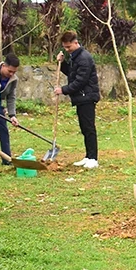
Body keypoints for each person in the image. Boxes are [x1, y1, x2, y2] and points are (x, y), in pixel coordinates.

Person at [54, 31, 101, 168]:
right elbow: (72, 73)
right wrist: (62, 64)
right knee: (84, 128)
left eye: (69, 47)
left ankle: (93, 158)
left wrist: (63, 90)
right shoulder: (75, 57)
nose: (67, 50)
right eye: (65, 47)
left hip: (87, 96)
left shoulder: (84, 58)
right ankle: (88, 156)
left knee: (89, 128)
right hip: (81, 97)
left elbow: (80, 81)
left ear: (76, 42)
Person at [0, 54, 20, 165]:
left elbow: (11, 97)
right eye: (10, 71)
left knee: (3, 130)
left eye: (14, 72)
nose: (11, 74)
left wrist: (12, 115)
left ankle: (7, 158)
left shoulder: (13, 79)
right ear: (4, 65)